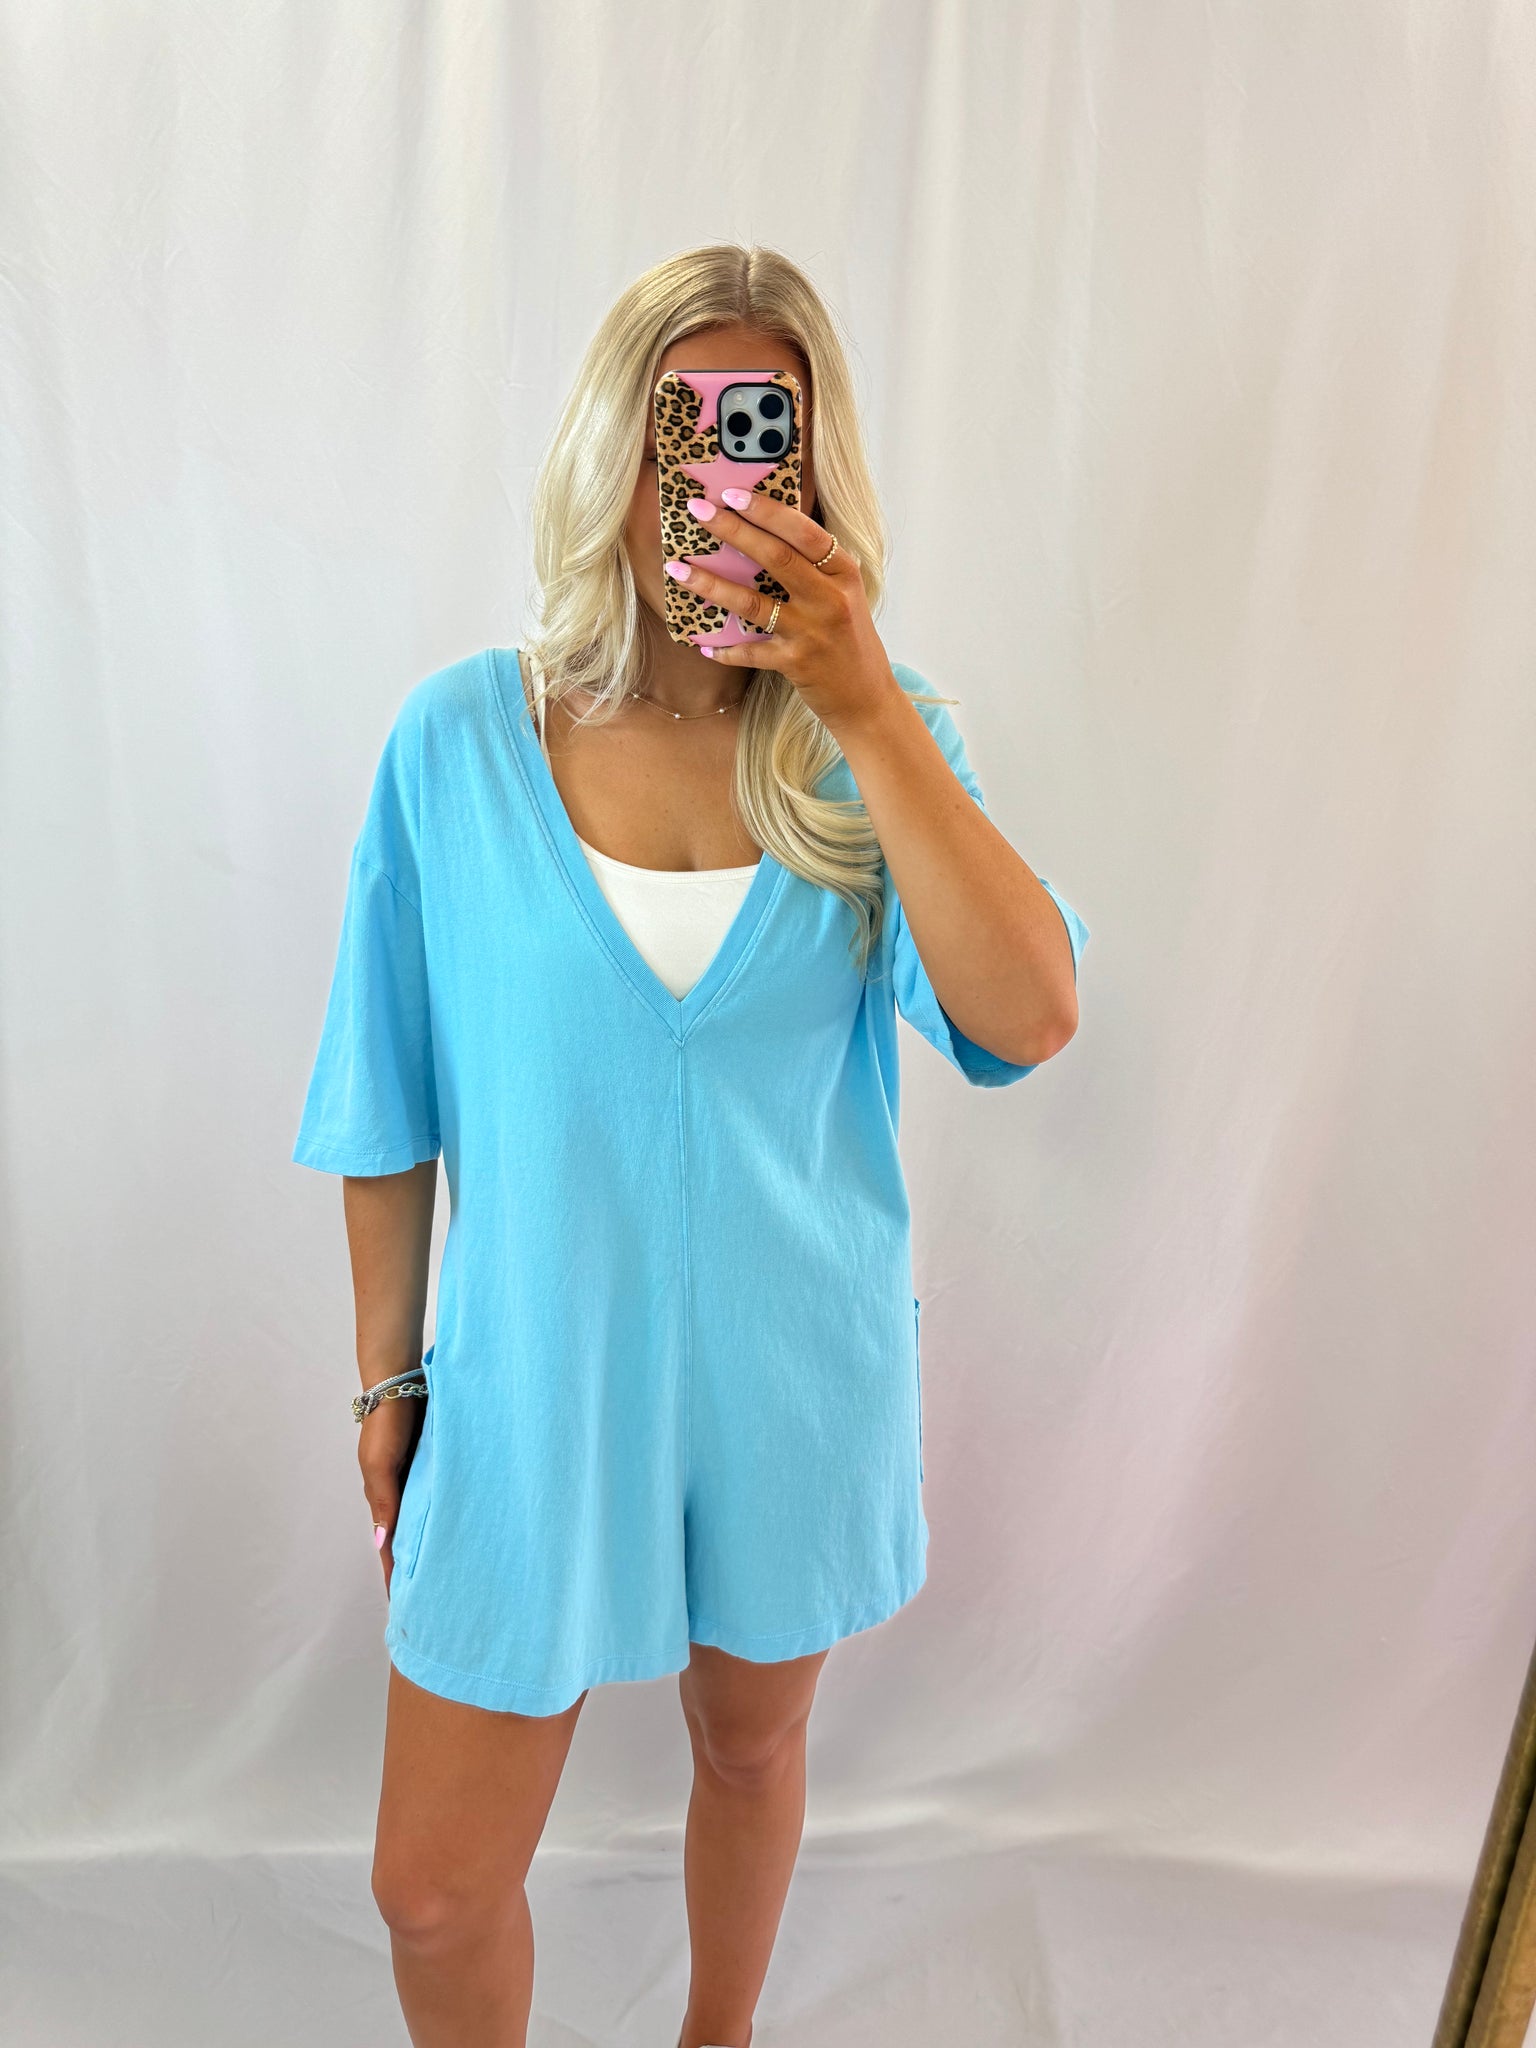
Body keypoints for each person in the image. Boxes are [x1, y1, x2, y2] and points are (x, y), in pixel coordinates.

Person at [292, 242, 1089, 2048]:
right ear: (614, 446)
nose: (716, 476)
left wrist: (865, 701)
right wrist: (386, 1376)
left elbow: (1029, 1017)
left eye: (759, 435)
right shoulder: (459, 742)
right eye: (681, 430)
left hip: (791, 1374)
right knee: (432, 1888)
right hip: (531, 1382)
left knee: (750, 1741)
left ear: (814, 467)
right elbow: (381, 1089)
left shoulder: (873, 745)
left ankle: (716, 2035)